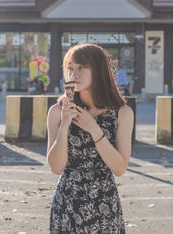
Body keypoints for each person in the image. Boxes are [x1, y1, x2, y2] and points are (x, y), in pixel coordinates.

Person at [47, 43, 134, 233]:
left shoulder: (122, 113)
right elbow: (56, 167)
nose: (74, 74)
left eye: (82, 67)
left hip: (105, 201)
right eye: (70, 68)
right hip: (68, 201)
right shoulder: (57, 111)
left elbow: (119, 168)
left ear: (99, 70)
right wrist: (64, 126)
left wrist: (94, 129)